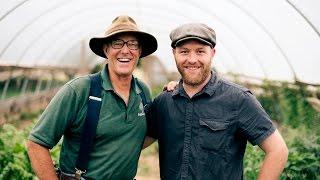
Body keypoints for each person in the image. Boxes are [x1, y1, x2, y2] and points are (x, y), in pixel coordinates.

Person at [146, 23, 288, 180]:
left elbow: (278, 150)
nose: (192, 60)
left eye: (200, 51)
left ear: (212, 53)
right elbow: (135, 141)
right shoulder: (164, 102)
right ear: (174, 53)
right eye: (184, 52)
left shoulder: (238, 99)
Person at [26, 15, 157, 179]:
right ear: (106, 49)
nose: (125, 50)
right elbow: (36, 143)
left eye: (133, 44)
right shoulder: (79, 90)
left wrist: (172, 92)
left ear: (139, 52)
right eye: (117, 43)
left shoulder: (142, 91)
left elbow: (143, 135)